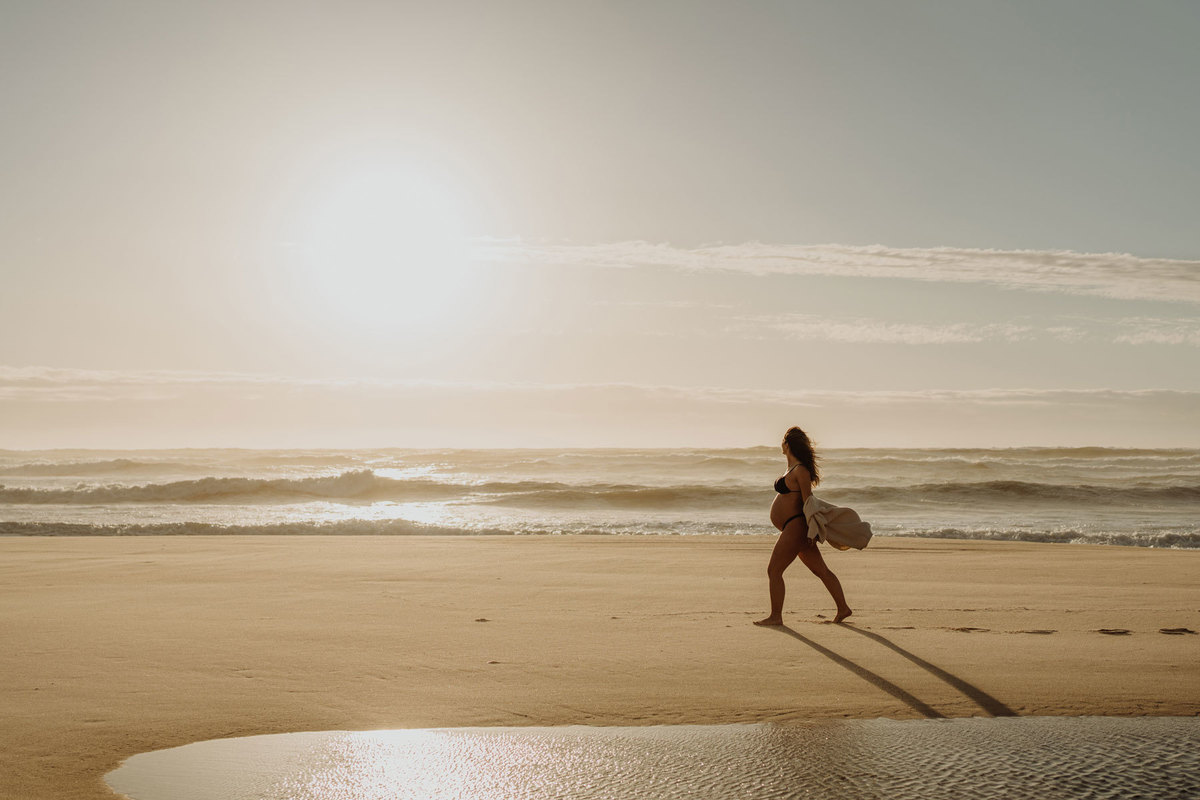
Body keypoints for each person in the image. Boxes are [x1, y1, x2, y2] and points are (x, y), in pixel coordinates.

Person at [754, 427, 852, 626]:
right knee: (821, 570)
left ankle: (776, 616)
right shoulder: (791, 468)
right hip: (794, 528)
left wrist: (811, 531)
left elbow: (809, 502)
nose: (781, 444)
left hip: (797, 527)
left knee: (774, 571)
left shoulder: (800, 471)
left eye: (783, 440)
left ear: (788, 444)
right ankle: (843, 608)